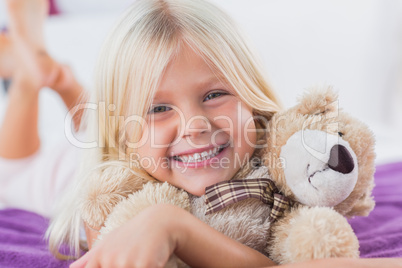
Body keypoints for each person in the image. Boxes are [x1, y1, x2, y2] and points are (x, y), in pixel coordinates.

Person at [1, 0, 400, 267]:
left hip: (133, 134)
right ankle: (34, 73)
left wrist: (175, 226)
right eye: (159, 106)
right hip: (55, 167)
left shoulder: (280, 165)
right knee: (16, 166)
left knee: (106, 117)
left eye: (214, 94)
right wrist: (167, 222)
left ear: (252, 101)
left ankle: (62, 78)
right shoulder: (109, 198)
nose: (195, 124)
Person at [0, 0, 86, 217]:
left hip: (50, 184)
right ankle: (36, 77)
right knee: (117, 141)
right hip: (91, 170)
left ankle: (40, 78)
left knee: (9, 180)